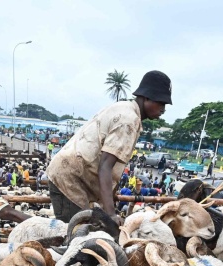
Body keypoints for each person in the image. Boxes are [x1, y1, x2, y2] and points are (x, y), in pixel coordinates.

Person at [44, 70, 171, 223]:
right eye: (161, 102)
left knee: (89, 228)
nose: (163, 109)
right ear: (147, 97)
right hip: (70, 179)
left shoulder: (124, 108)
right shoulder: (128, 120)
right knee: (78, 233)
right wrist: (111, 214)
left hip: (73, 176)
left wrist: (110, 203)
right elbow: (105, 165)